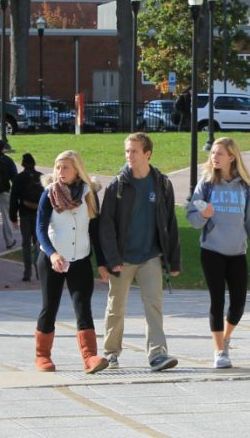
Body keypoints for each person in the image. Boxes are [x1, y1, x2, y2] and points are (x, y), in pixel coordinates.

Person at [99, 132, 181, 372]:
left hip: (150, 256)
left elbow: (170, 224)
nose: (129, 156)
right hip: (122, 259)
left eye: (134, 151)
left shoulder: (162, 183)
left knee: (153, 305)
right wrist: (111, 259)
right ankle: (111, 353)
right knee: (116, 307)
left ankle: (157, 354)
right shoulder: (117, 185)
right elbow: (106, 226)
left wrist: (173, 260)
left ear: (147, 154)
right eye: (126, 151)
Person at [186, 137, 250, 369]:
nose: (214, 157)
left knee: (238, 304)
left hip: (237, 252)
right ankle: (219, 350)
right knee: (217, 300)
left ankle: (226, 336)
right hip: (212, 250)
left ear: (232, 157)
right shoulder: (207, 184)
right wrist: (204, 215)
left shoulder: (245, 187)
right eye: (212, 153)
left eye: (219, 153)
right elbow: (191, 216)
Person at [34, 150, 108, 374]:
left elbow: (95, 231)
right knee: (50, 307)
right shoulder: (48, 194)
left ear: (77, 170)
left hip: (80, 260)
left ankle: (90, 358)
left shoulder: (88, 194)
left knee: (82, 307)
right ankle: (42, 356)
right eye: (57, 167)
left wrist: (101, 263)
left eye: (65, 167)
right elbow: (40, 229)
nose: (60, 172)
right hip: (52, 260)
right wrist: (52, 253)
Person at [9, 153, 43, 282]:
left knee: (26, 244)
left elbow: (14, 199)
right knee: (38, 244)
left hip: (24, 214)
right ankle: (39, 271)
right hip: (38, 215)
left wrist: (13, 217)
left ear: (23, 164)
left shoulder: (19, 178)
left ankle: (27, 272)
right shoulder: (41, 177)